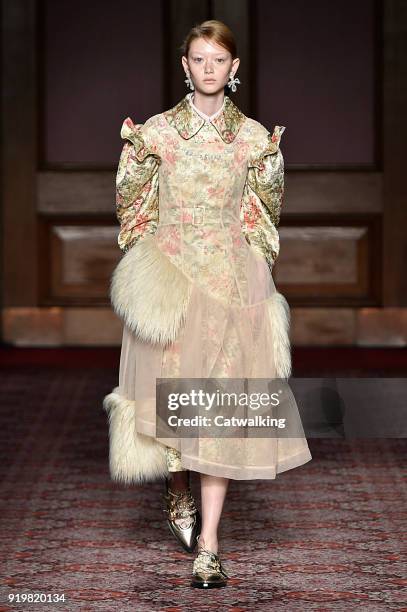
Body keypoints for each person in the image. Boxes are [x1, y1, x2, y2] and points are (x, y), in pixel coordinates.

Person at [103, 19, 312, 589]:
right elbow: (134, 205)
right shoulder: (157, 134)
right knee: (174, 399)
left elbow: (262, 215)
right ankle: (176, 488)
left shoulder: (253, 140)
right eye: (199, 59)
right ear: (185, 65)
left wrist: (252, 272)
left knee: (218, 408)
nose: (209, 69)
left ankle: (211, 546)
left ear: (234, 69)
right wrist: (150, 264)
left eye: (219, 60)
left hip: (228, 282)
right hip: (172, 281)